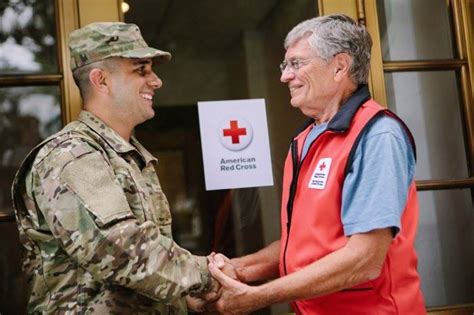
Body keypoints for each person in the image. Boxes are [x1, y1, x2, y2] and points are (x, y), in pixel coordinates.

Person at [207, 14, 426, 314]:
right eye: (285, 66)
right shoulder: (306, 138)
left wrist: (258, 296)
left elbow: (365, 259)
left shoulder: (377, 135)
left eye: (297, 64)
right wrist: (239, 269)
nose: (285, 76)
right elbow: (302, 246)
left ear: (339, 66)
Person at [11, 22, 232, 314]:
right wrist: (205, 275)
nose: (156, 81)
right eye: (141, 70)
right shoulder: (71, 154)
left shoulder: (128, 156)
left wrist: (179, 297)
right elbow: (117, 248)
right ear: (101, 80)